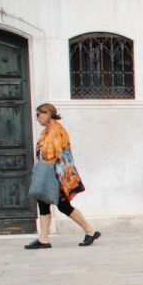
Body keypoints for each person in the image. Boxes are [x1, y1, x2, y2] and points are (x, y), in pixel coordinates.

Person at [24, 103, 101, 249]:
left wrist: (43, 166)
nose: (37, 118)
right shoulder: (46, 132)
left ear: (47, 113)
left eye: (38, 114)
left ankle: (90, 231)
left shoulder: (56, 130)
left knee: (63, 205)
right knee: (43, 203)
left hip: (57, 175)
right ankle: (43, 239)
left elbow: (56, 155)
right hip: (49, 173)